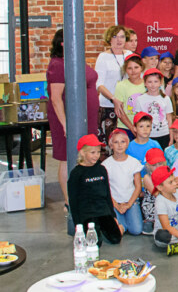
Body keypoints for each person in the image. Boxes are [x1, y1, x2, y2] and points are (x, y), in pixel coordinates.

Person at [47, 29, 100, 207]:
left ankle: (84, 195)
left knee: (86, 154)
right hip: (68, 119)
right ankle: (69, 201)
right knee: (67, 156)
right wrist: (65, 125)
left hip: (87, 118)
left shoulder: (76, 60)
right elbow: (56, 98)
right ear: (62, 43)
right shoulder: (58, 64)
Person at [67, 134, 123, 245]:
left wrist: (113, 216)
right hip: (87, 213)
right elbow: (73, 200)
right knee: (95, 243)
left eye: (98, 152)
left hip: (103, 210)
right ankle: (96, 229)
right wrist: (78, 224)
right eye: (92, 153)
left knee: (116, 239)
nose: (96, 156)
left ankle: (107, 227)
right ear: (83, 152)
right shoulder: (76, 173)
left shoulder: (102, 169)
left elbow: (107, 194)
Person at [95, 25, 132, 148]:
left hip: (127, 106)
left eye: (122, 37)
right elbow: (99, 84)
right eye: (115, 37)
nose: (119, 40)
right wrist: (113, 99)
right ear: (109, 39)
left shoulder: (129, 55)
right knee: (110, 143)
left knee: (126, 142)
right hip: (108, 105)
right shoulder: (103, 57)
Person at [102, 129, 143, 236]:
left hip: (131, 201)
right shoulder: (105, 165)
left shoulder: (134, 162)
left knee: (136, 230)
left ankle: (124, 222)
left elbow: (138, 187)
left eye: (123, 142)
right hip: (114, 202)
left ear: (127, 144)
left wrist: (128, 204)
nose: (119, 145)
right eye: (116, 142)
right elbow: (106, 189)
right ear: (111, 145)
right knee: (119, 227)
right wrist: (116, 205)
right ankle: (122, 224)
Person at [134, 68, 173, 148]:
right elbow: (138, 120)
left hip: (164, 134)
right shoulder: (140, 99)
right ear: (145, 83)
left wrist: (171, 137)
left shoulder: (166, 98)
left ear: (160, 83)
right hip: (147, 135)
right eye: (149, 82)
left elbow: (169, 119)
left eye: (156, 81)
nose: (153, 85)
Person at [114, 54, 146, 133]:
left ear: (141, 68)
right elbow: (120, 111)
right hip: (125, 127)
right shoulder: (121, 85)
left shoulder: (147, 84)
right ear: (125, 70)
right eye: (129, 68)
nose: (133, 71)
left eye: (136, 67)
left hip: (144, 128)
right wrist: (132, 128)